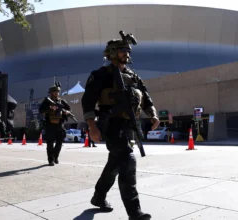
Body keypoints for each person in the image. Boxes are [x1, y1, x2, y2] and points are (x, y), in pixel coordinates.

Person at [81, 31, 160, 220]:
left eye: (128, 50)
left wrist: (153, 114)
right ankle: (135, 212)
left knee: (115, 163)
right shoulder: (100, 75)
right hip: (110, 124)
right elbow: (88, 101)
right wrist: (92, 127)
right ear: (112, 53)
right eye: (123, 50)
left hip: (128, 126)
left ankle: (99, 196)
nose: (127, 53)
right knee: (128, 159)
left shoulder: (133, 76)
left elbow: (146, 97)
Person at [39, 83, 72, 166]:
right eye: (55, 91)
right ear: (51, 92)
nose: (57, 93)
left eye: (58, 91)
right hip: (50, 124)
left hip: (59, 124)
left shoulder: (62, 101)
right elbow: (41, 110)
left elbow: (69, 109)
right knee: (50, 142)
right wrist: (50, 108)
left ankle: (55, 157)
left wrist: (67, 112)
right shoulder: (47, 101)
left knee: (60, 142)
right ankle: (50, 160)